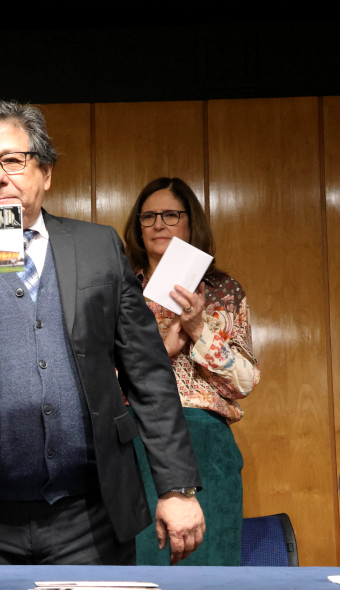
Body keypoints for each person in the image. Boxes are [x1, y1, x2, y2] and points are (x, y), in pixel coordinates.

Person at [0, 100, 204, 566]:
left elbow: (148, 375)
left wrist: (177, 486)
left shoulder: (97, 248)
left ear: (45, 172)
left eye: (12, 160)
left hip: (89, 517)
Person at [123, 177, 260, 566]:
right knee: (140, 571)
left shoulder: (222, 291)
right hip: (135, 441)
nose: (158, 224)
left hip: (207, 445)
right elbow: (95, 382)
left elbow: (245, 382)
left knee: (210, 572)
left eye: (170, 215)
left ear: (190, 223)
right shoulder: (117, 291)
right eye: (148, 216)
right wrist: (159, 353)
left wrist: (200, 328)